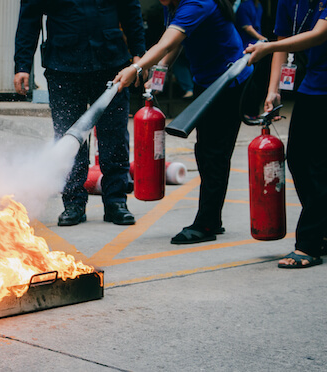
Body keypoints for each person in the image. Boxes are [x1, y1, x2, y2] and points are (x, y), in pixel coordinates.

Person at [114, 0, 253, 244]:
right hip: (208, 80)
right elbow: (176, 43)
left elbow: (166, 42)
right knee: (205, 151)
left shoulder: (197, 3)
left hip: (228, 82)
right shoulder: (174, 5)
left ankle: (206, 224)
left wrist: (135, 68)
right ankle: (213, 218)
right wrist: (162, 69)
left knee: (214, 153)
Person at [14, 0, 146, 227]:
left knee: (114, 136)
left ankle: (116, 201)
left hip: (111, 61)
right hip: (63, 64)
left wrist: (138, 53)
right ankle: (73, 203)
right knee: (69, 138)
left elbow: (130, 9)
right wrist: (22, 65)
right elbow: (29, 17)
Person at [245, 0, 327, 268]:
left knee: (319, 167)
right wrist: (273, 89)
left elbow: (319, 34)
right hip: (313, 83)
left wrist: (268, 47)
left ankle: (309, 244)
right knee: (297, 160)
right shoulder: (287, 2)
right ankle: (321, 228)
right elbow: (283, 40)